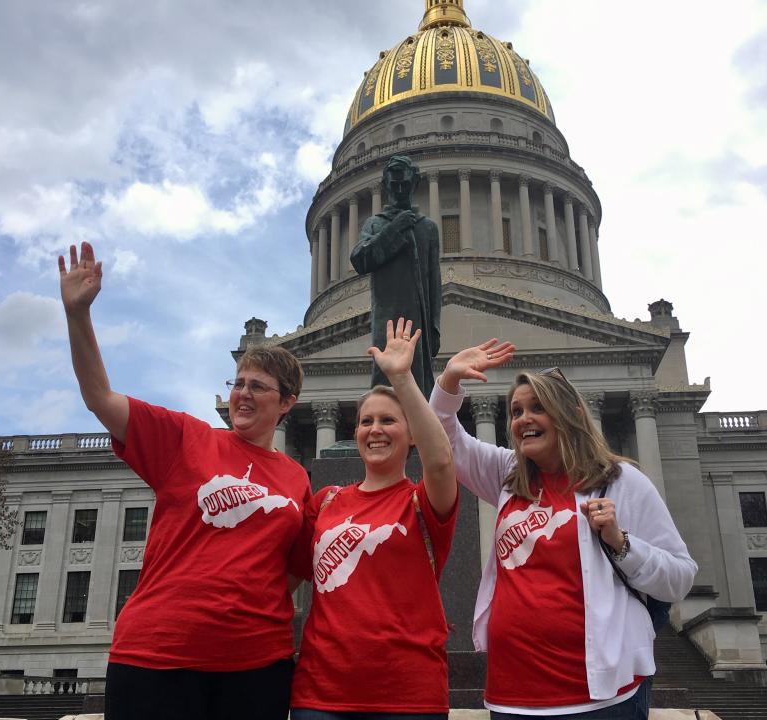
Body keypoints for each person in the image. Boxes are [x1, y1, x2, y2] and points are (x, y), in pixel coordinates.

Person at [58, 241, 311, 720]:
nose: (242, 394)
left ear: (287, 403)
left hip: (256, 664)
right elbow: (99, 398)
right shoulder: (184, 439)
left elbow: (293, 568)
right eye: (238, 383)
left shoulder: (297, 478)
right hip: (159, 654)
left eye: (257, 386)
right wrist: (78, 316)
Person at [429, 339, 697, 720]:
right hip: (512, 694)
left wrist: (622, 544)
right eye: (516, 411)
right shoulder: (507, 476)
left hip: (598, 699)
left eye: (538, 408)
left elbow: (680, 578)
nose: (523, 419)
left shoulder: (621, 482)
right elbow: (443, 443)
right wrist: (449, 382)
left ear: (569, 413)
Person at [289, 317, 458, 720]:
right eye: (366, 421)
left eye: (388, 420)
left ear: (412, 432)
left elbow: (440, 463)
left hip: (407, 695)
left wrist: (401, 379)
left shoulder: (422, 503)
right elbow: (284, 580)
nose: (375, 430)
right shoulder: (325, 502)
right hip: (321, 694)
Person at [351, 155, 441, 398]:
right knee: (385, 384)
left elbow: (434, 282)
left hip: (418, 317)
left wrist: (434, 326)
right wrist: (395, 229)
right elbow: (360, 258)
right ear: (386, 186)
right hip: (387, 316)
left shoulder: (427, 228)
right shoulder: (375, 224)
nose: (399, 190)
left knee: (420, 386)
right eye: (394, 185)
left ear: (414, 184)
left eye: (404, 185)